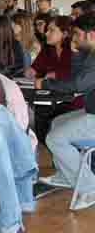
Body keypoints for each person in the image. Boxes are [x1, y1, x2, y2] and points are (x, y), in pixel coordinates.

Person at [37, 15, 95, 202]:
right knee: (57, 122)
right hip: (91, 111)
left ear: (91, 35)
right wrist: (77, 54)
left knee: (55, 138)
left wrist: (46, 84)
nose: (74, 39)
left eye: (77, 35)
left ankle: (90, 188)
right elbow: (76, 77)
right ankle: (66, 175)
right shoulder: (90, 53)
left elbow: (78, 84)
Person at [26, 16, 73, 80]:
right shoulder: (47, 49)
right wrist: (31, 71)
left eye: (51, 30)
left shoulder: (74, 50)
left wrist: (56, 75)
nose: (46, 33)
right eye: (47, 30)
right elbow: (35, 67)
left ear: (64, 34)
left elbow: (74, 74)